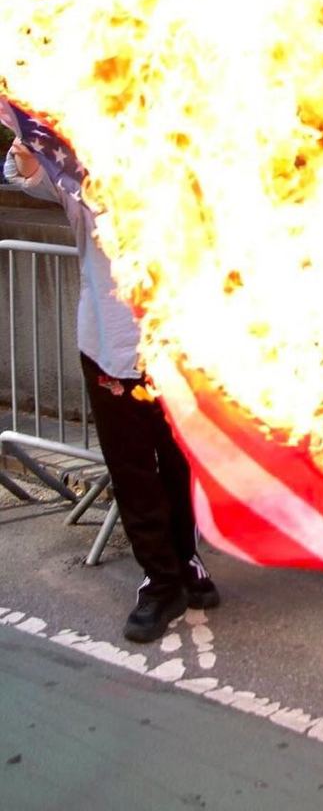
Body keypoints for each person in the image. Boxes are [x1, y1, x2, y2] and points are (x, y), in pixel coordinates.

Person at [4, 135, 219, 643]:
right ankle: (160, 581)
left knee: (180, 463)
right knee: (132, 470)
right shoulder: (82, 189)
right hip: (109, 350)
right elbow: (25, 176)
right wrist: (25, 148)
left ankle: (186, 561)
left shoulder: (182, 187)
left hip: (178, 352)